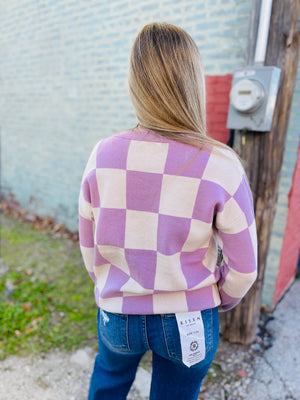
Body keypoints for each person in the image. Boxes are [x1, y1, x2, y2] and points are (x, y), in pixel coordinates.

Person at [78, 22, 257, 400]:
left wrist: (108, 286)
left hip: (118, 313)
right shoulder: (222, 165)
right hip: (190, 318)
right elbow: (245, 269)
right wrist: (221, 297)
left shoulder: (103, 155)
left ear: (136, 82)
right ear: (193, 81)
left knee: (108, 383)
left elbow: (89, 246)